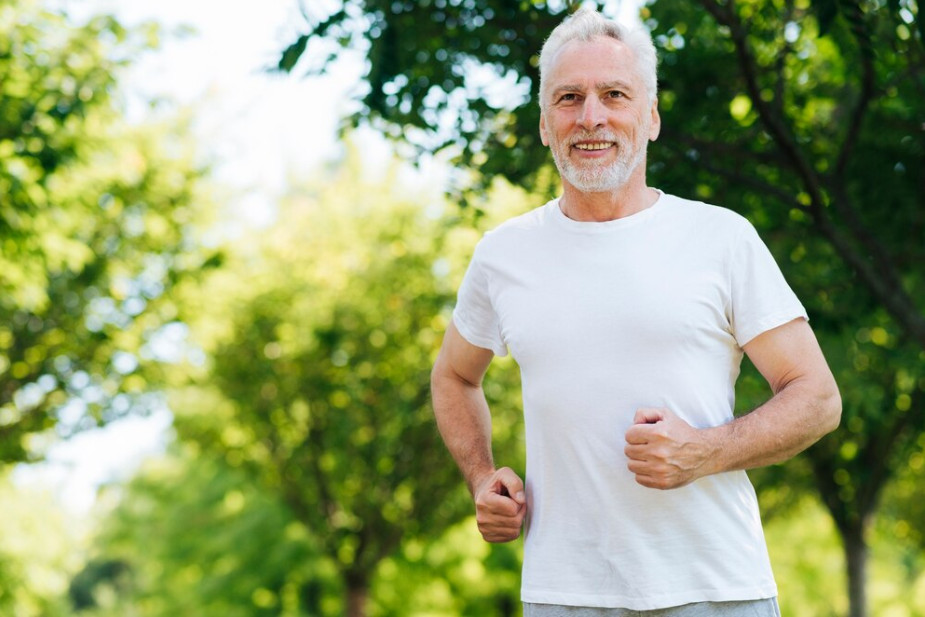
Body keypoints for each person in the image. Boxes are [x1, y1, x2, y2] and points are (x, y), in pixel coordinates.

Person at [430, 6, 842, 617]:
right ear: (545, 123)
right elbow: (455, 376)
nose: (591, 116)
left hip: (716, 590)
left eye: (614, 95)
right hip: (563, 596)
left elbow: (817, 398)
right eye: (569, 98)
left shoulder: (721, 238)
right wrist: (481, 477)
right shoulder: (503, 255)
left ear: (649, 117)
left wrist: (707, 450)